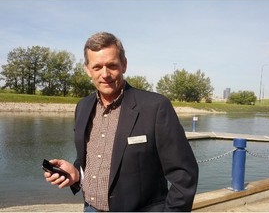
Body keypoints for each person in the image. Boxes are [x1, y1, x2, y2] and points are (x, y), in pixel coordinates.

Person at [44, 32, 199, 212]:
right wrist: (77, 173)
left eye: (112, 65)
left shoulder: (155, 107)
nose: (105, 74)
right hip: (90, 208)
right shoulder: (83, 107)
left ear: (124, 65)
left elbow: (184, 173)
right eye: (97, 67)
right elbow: (90, 156)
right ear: (87, 69)